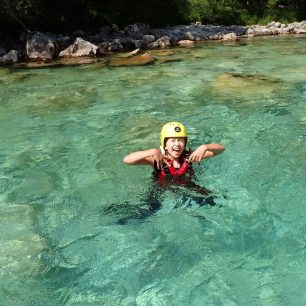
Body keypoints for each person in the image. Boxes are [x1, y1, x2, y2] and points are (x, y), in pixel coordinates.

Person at [123, 121, 225, 178]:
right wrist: (151, 152)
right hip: (161, 190)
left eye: (180, 140)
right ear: (165, 144)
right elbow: (127, 160)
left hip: (188, 187)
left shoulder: (191, 156)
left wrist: (205, 147)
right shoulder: (158, 159)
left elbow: (221, 150)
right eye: (172, 141)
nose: (177, 144)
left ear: (185, 143)